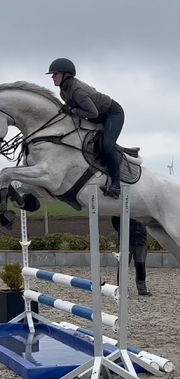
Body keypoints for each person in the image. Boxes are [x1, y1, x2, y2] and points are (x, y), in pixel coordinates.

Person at [46, 58, 125, 199]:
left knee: (107, 146)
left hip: (112, 114)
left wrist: (74, 111)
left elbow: (91, 113)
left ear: (66, 75)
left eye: (55, 74)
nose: (52, 77)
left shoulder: (77, 91)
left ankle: (116, 185)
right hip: (97, 116)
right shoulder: (63, 92)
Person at [111, 216, 151, 296]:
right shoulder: (123, 206)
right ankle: (122, 290)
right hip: (125, 242)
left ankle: (142, 289)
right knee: (123, 266)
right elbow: (115, 220)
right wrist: (122, 231)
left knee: (141, 266)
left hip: (140, 241)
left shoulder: (141, 209)